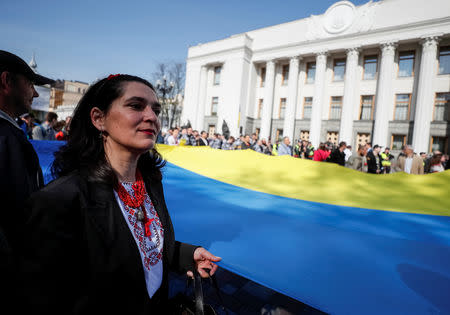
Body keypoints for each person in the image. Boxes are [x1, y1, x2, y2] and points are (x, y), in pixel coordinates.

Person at [21, 74, 221, 314]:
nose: (152, 117)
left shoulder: (151, 183)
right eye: (136, 106)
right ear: (99, 119)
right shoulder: (59, 201)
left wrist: (186, 255)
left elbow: (139, 247)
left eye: (155, 110)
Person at [0, 50, 54, 309]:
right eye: (30, 84)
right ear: (6, 81)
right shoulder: (6, 139)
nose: (34, 93)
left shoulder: (10, 135)